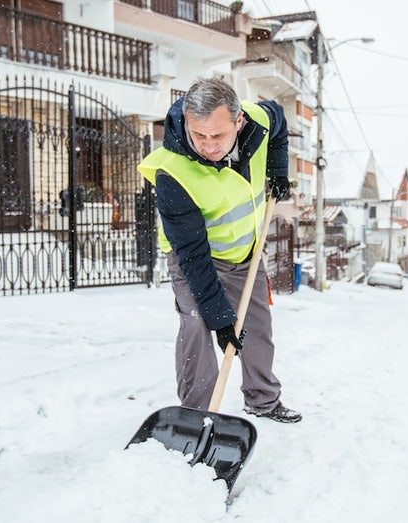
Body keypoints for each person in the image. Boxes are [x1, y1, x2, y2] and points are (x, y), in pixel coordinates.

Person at [137, 77, 301, 423]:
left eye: (218, 136)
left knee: (256, 325)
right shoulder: (171, 171)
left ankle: (263, 400)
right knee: (198, 325)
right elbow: (193, 254)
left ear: (239, 122)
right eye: (199, 136)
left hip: (245, 251)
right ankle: (196, 415)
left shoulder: (259, 118)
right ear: (186, 121)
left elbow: (280, 121)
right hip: (194, 258)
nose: (209, 146)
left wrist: (277, 168)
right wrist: (221, 318)